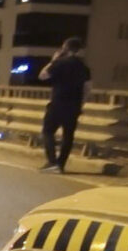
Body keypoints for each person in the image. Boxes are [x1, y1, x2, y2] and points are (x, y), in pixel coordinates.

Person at [38, 37, 91, 173]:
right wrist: (81, 104)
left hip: (58, 103)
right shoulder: (84, 67)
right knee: (68, 136)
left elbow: (42, 76)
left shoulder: (59, 63)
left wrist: (53, 60)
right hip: (74, 106)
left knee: (48, 131)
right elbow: (87, 89)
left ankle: (52, 162)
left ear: (65, 48)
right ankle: (60, 165)